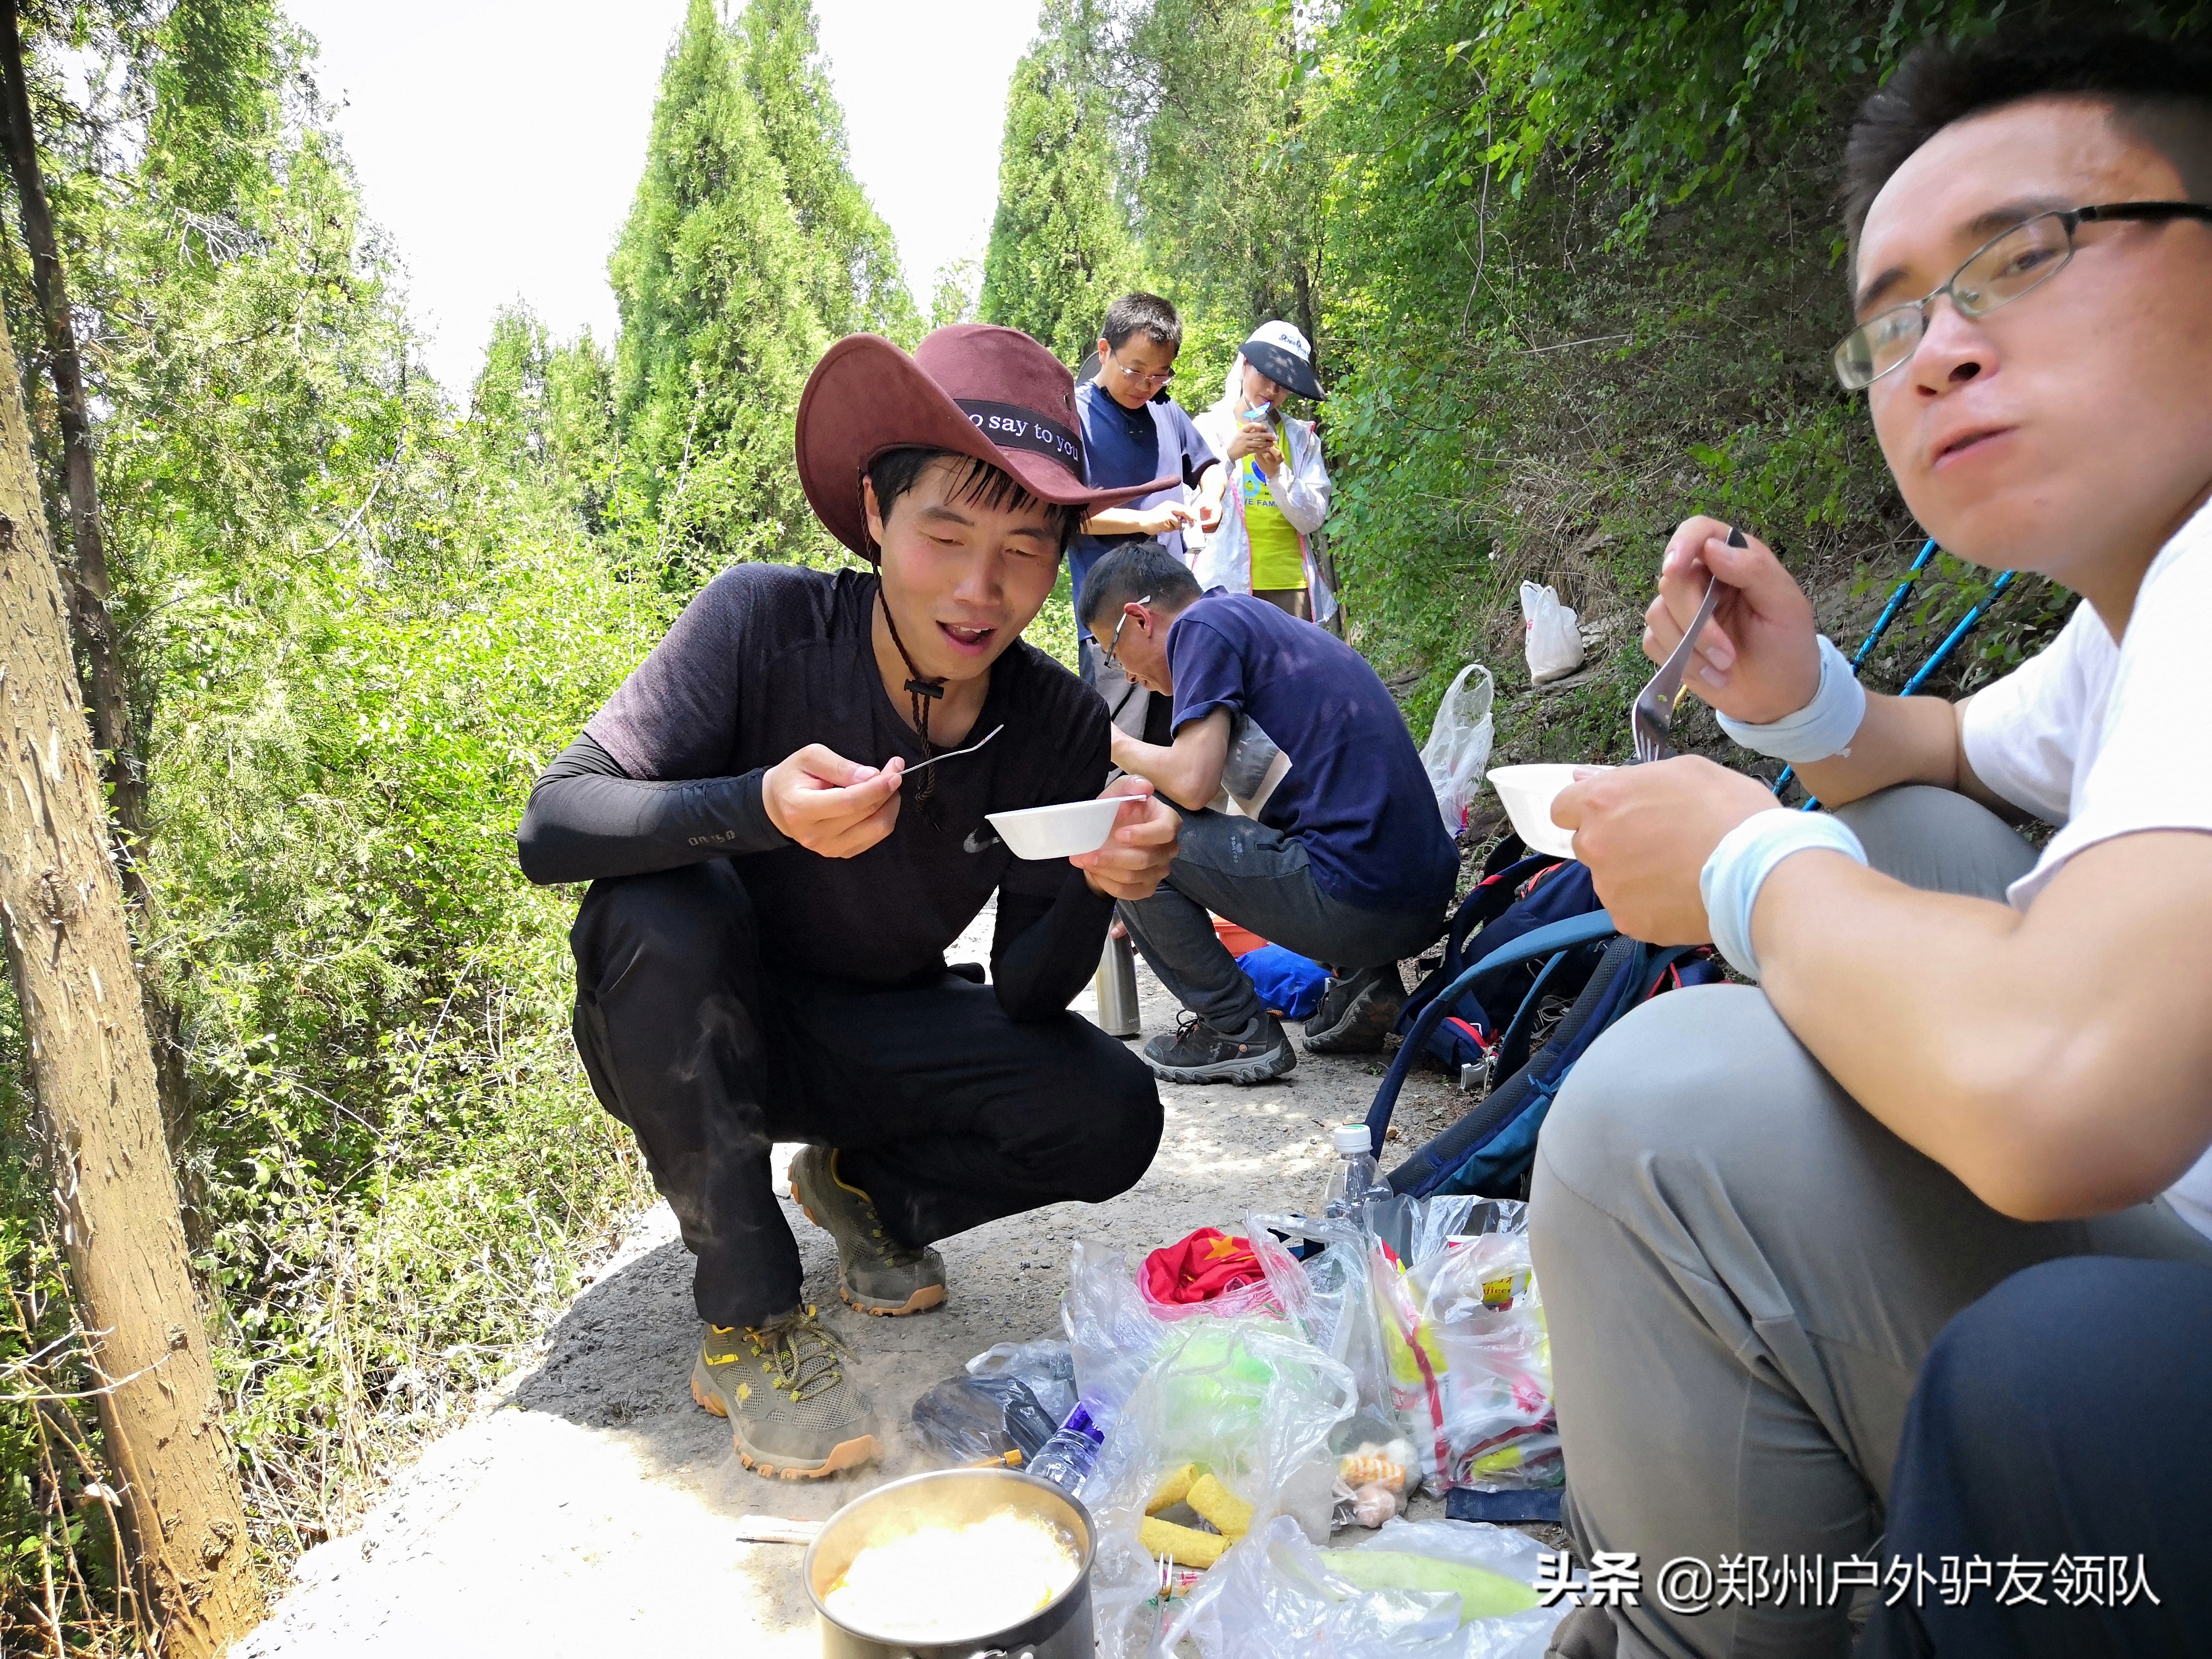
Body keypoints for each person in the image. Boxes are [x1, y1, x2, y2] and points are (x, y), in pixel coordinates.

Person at [1525, 27, 2212, 1658]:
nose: (1932, 352)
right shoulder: (2138, 611)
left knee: (1658, 1122)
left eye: (2023, 256)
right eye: (1891, 318)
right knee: (1910, 830)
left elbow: (2058, 1082)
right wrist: (1792, 691)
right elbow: (1932, 751)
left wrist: (1739, 861)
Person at [515, 324, 1183, 1481]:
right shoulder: (763, 623)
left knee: (1113, 1106)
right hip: (688, 1033)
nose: (981, 591)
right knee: (660, 902)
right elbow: (554, 823)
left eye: (1025, 547)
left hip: (870, 1033)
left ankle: (864, 1185)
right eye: (945, 532)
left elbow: (1027, 992)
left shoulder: (1059, 720)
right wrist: (756, 807)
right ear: (877, 516)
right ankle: (750, 1311)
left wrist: (1097, 870)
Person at [1079, 541, 1457, 1083]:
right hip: (1417, 900)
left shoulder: (1200, 627)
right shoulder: (1257, 622)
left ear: (1138, 619)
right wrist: (1151, 906)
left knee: (1133, 829)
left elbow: (1189, 783)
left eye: (1110, 654)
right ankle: (1364, 984)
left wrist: (1109, 742)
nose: (1126, 676)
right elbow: (1221, 804)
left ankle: (1235, 1032)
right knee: (1288, 820)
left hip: (1360, 902)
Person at [1070, 293, 1223, 700]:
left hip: (1178, 617)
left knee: (1186, 739)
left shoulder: (1166, 410)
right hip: (1115, 628)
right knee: (1122, 756)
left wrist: (1212, 497)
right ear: (1104, 351)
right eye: (1135, 370)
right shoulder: (1074, 416)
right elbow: (1064, 513)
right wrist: (1144, 521)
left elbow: (1210, 467)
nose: (1146, 385)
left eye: (1160, 375)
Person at [1190, 321, 1336, 625]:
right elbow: (1190, 513)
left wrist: (1277, 475)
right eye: (1265, 376)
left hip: (1291, 586)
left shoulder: (1301, 438)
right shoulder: (1206, 429)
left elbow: (1312, 519)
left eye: (1283, 384)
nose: (1272, 390)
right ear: (1244, 365)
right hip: (1224, 585)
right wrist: (1229, 456)